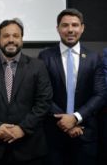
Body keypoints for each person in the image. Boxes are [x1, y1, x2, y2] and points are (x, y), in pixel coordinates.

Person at [0, 19, 52, 165]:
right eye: (6, 36)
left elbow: (44, 101)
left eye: (16, 36)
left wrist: (23, 128)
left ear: (22, 40)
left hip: (29, 146)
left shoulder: (38, 66)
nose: (11, 40)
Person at [38, 9, 107, 165]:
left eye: (75, 25)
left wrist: (75, 118)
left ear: (82, 28)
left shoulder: (94, 58)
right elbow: (43, 94)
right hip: (54, 135)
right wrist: (65, 122)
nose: (70, 30)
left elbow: (100, 94)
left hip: (85, 133)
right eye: (65, 25)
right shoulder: (45, 57)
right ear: (57, 29)